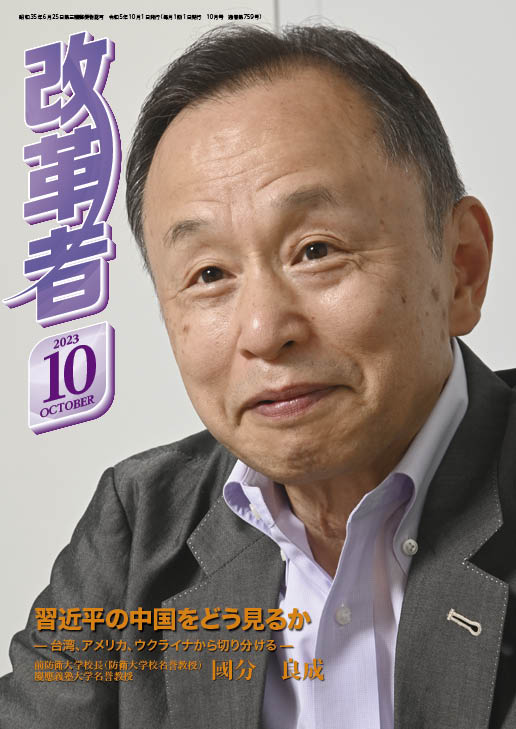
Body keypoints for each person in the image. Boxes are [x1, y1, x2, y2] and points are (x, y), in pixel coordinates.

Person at [2, 23, 515, 729]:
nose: (265, 330)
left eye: (316, 250)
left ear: (461, 267)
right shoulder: (140, 528)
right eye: (210, 273)